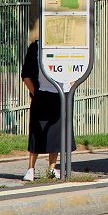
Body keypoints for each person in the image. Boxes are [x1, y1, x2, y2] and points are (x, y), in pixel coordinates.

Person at [20, 41, 74, 181]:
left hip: (62, 94)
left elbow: (76, 71)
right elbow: (26, 75)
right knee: (36, 131)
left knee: (57, 132)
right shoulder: (36, 47)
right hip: (43, 94)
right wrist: (36, 94)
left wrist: (70, 87)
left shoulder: (68, 46)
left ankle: (51, 168)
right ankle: (30, 169)